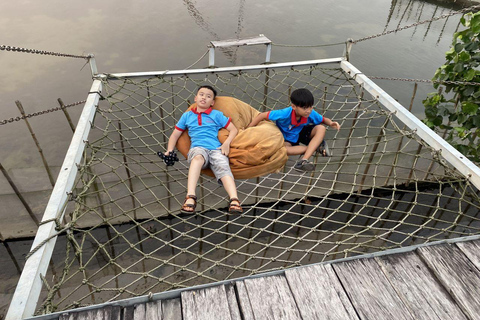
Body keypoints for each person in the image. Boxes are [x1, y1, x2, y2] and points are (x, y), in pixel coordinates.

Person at [165, 85, 243, 214]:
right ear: (195, 98)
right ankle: (190, 196)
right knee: (197, 158)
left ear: (212, 102)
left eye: (208, 96)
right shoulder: (187, 116)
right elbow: (175, 134)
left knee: (223, 165)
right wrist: (169, 150)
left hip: (216, 148)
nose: (204, 98)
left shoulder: (216, 114)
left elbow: (233, 129)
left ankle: (234, 199)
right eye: (201, 94)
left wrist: (227, 143)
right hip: (198, 147)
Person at [248, 88, 341, 171]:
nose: (308, 110)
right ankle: (314, 147)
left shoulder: (310, 113)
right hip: (287, 138)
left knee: (321, 128)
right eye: (304, 108)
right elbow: (262, 115)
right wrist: (249, 128)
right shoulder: (284, 113)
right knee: (283, 150)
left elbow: (323, 119)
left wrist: (331, 123)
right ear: (293, 106)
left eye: (310, 107)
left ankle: (304, 160)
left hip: (302, 132)